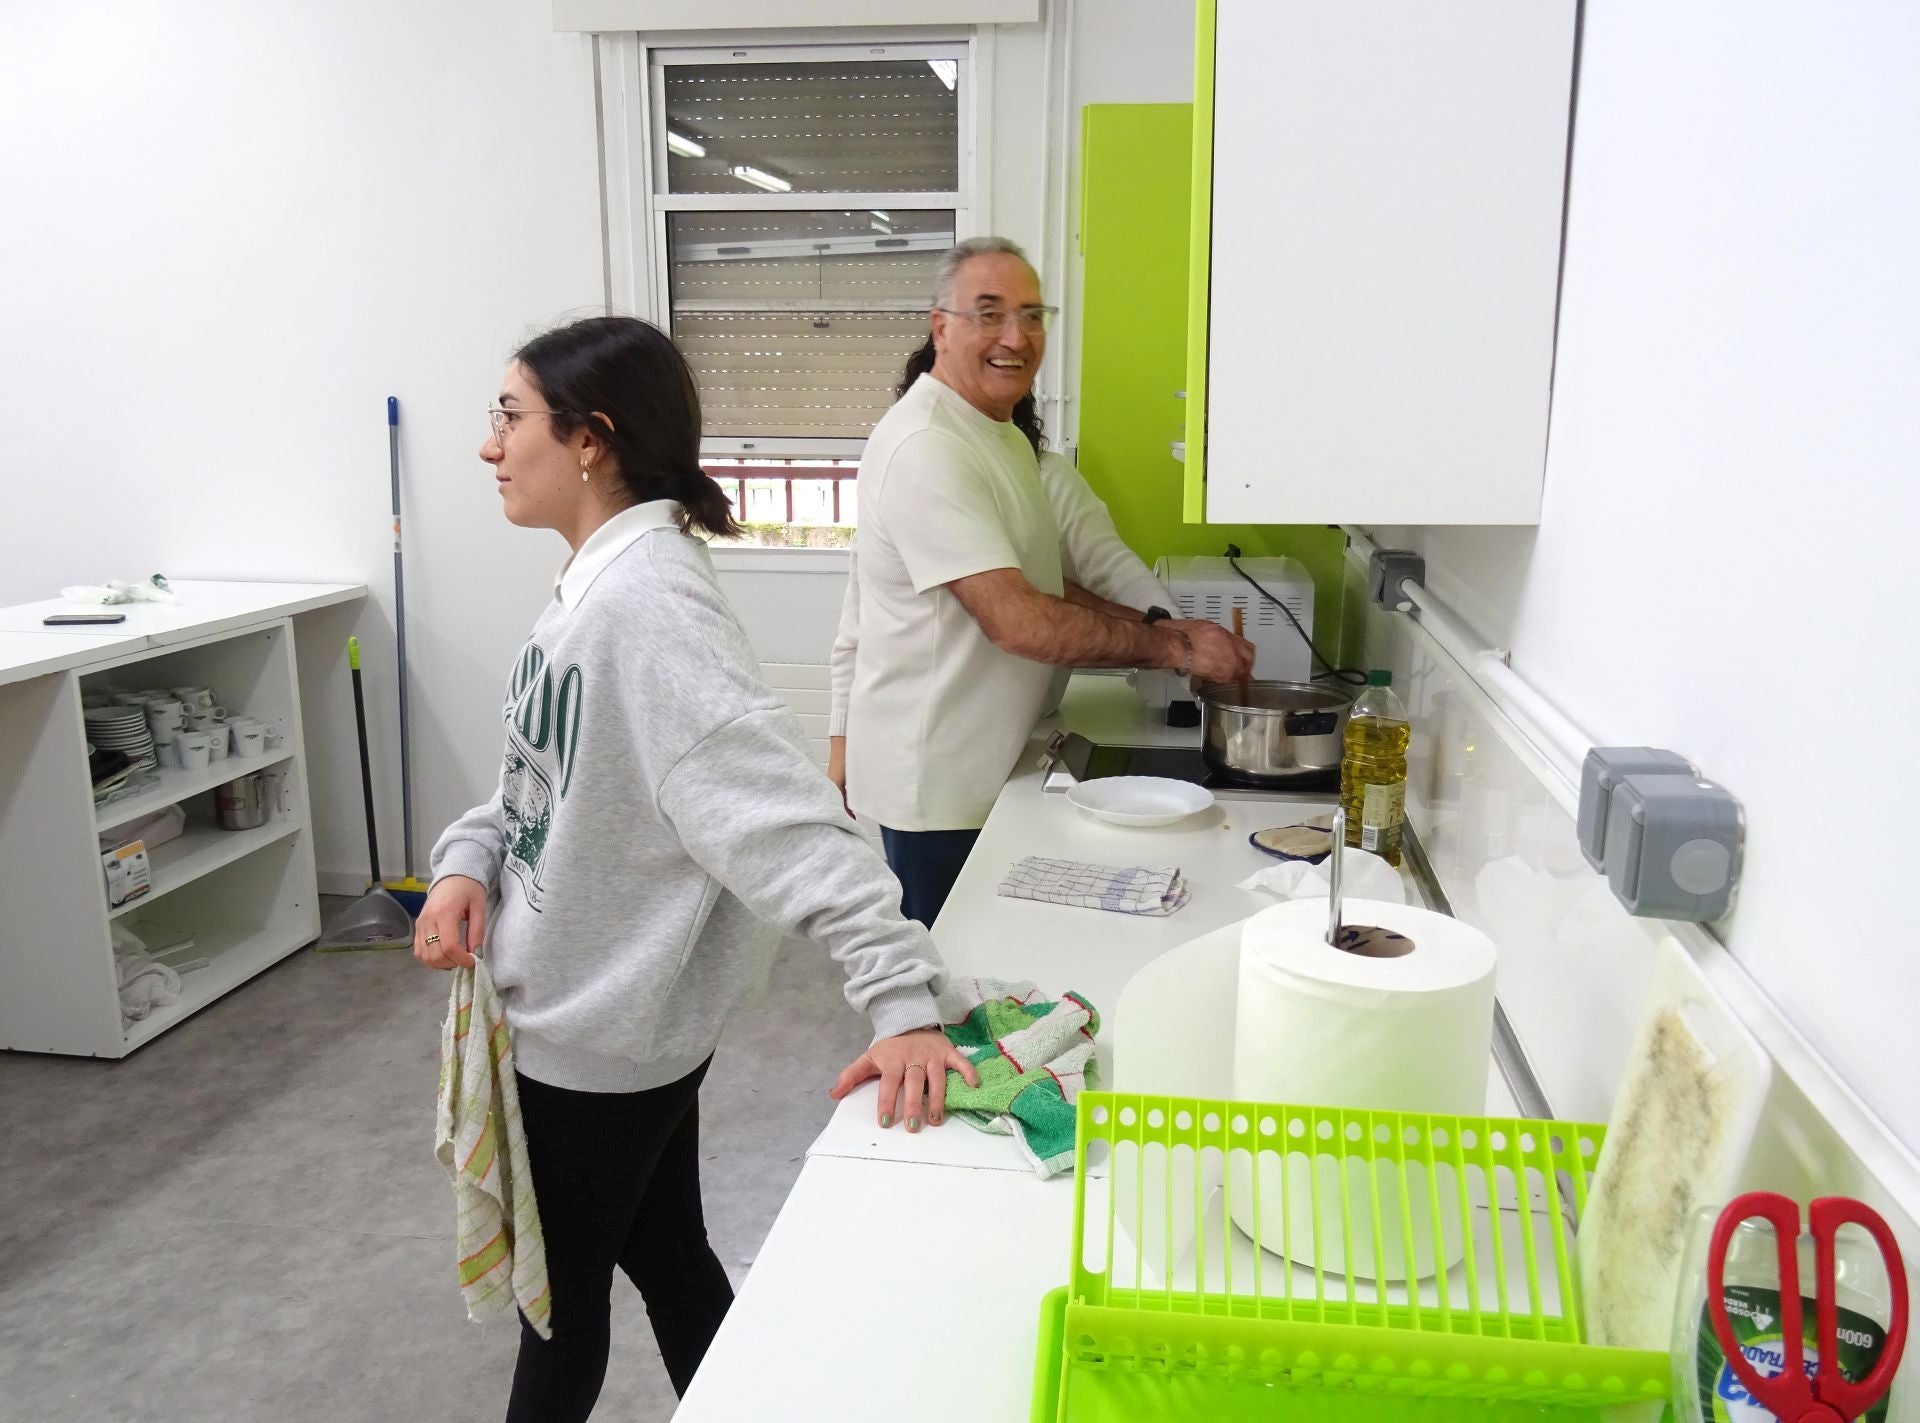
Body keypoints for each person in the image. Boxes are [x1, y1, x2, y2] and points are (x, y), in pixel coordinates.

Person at [412, 316, 977, 1421]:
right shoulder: (589, 586)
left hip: (596, 1040)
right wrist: (464, 863)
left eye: (510, 416)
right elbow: (536, 776)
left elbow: (787, 821)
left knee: (562, 1310)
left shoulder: (647, 608)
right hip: (612, 1023)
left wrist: (900, 1000)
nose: (490, 446)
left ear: (592, 440)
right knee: (667, 1257)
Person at [833, 236, 1253, 925]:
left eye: (1032, 315)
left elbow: (1042, 580)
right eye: (989, 313)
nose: (1016, 336)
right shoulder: (926, 447)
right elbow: (1019, 619)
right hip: (939, 779)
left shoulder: (996, 434)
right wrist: (1175, 651)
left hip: (992, 759)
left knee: (991, 970)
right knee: (957, 984)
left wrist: (1161, 625)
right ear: (940, 325)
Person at [827, 337, 1181, 812]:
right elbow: (856, 628)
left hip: (1019, 734)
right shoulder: (910, 472)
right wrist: (840, 746)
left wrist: (1181, 642)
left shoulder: (1047, 477)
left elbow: (1110, 565)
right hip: (922, 748)